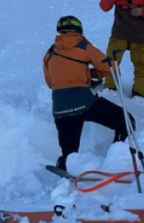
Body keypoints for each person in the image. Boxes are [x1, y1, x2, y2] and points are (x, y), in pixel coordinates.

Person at [43, 15, 133, 171]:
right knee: (126, 121)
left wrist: (78, 74)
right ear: (79, 29)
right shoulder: (84, 46)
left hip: (61, 107)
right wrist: (90, 75)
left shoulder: (49, 54)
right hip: (84, 102)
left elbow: (51, 83)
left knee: (69, 152)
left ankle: (65, 167)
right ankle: (116, 159)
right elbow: (110, 68)